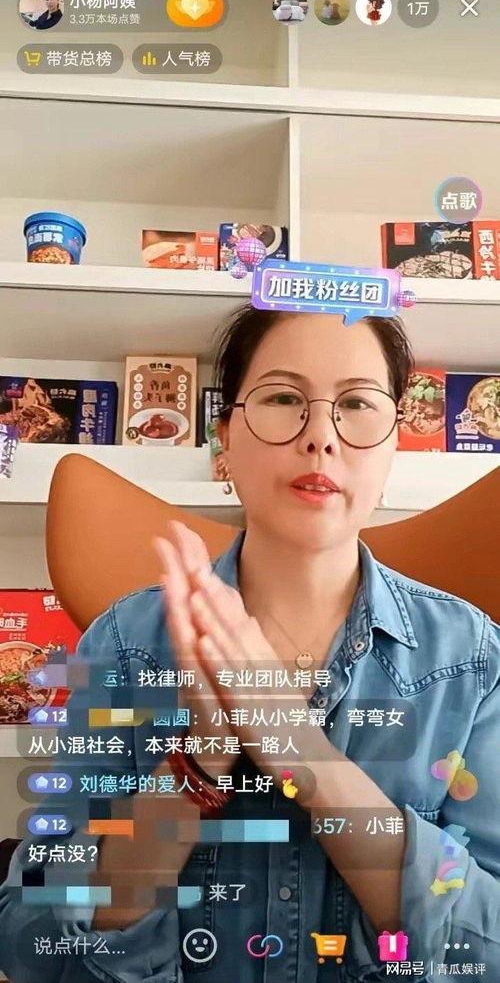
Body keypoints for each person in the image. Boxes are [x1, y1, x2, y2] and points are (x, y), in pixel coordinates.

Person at [1, 305, 499, 982]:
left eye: (357, 404)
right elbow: (34, 941)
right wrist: (199, 761)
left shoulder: (472, 661)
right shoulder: (124, 643)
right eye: (284, 399)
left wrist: (299, 749)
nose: (320, 437)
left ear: (391, 448)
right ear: (225, 439)